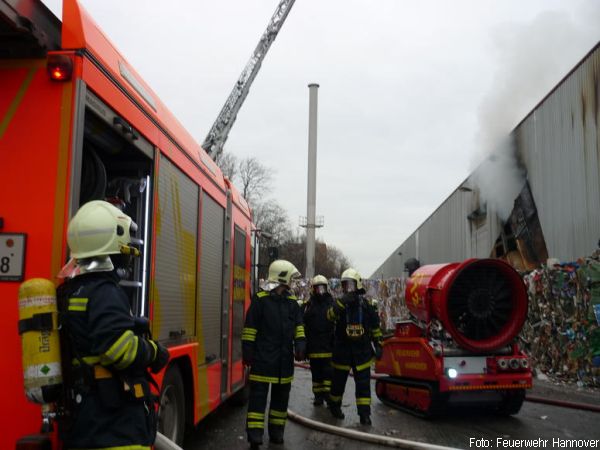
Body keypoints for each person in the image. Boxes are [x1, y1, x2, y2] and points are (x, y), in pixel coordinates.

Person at [57, 200, 169, 450]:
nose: (128, 253)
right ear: (112, 248)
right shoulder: (105, 292)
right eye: (125, 247)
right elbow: (118, 349)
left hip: (87, 417)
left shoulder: (72, 290)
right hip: (113, 424)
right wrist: (153, 351)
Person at [242, 260, 306, 449]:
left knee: (281, 399)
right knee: (258, 400)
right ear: (282, 278)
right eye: (291, 279)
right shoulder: (260, 300)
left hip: (284, 361)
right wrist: (248, 352)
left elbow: (299, 326)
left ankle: (277, 432)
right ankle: (255, 436)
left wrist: (301, 343)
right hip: (263, 359)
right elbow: (250, 329)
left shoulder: (293, 302)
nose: (292, 283)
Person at [326, 268, 383, 425]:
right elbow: (329, 316)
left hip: (362, 351)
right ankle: (334, 406)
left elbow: (375, 326)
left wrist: (378, 344)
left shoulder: (366, 305)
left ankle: (364, 415)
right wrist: (342, 303)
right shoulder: (338, 304)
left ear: (357, 285)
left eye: (351, 285)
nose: (348, 288)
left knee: (363, 386)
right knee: (337, 383)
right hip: (342, 350)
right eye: (345, 285)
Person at [302, 274, 335, 406]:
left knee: (328, 372)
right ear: (313, 289)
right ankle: (318, 396)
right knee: (316, 374)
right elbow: (303, 323)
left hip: (328, 345)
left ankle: (327, 394)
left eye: (323, 288)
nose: (320, 291)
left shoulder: (332, 303)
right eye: (318, 288)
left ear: (326, 288)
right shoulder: (309, 305)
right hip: (314, 345)